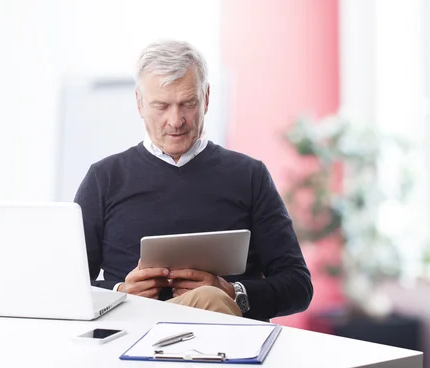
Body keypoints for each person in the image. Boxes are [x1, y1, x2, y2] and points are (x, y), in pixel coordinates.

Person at [74, 40, 313, 321]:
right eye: (161, 106)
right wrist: (121, 292)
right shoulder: (104, 179)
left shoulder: (249, 176)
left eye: (188, 103)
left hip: (226, 337)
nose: (176, 120)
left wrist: (232, 292)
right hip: (136, 336)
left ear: (207, 99)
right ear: (139, 103)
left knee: (210, 297)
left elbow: (298, 285)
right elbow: (66, 288)